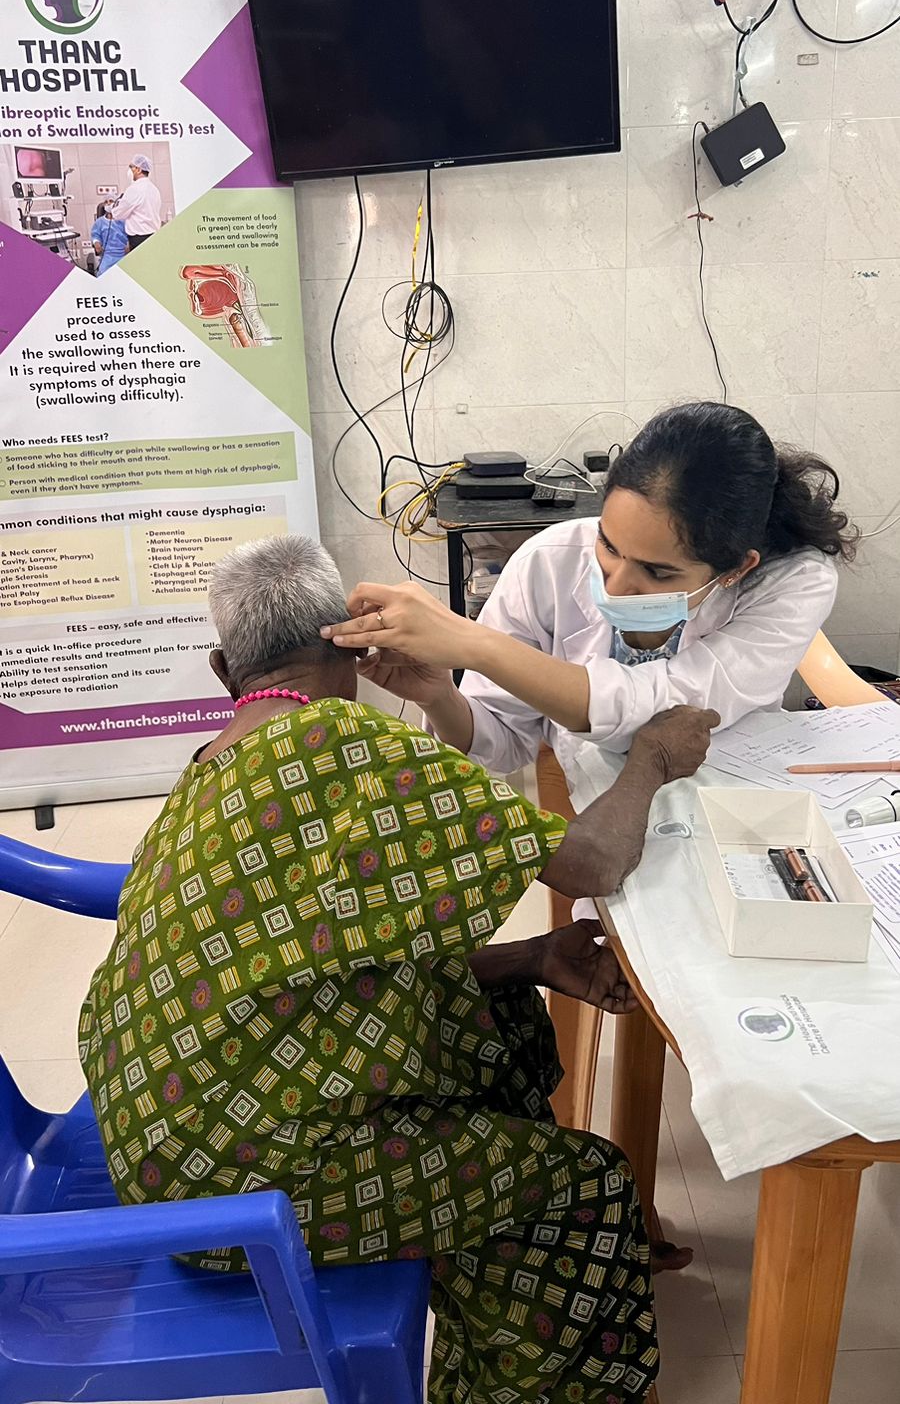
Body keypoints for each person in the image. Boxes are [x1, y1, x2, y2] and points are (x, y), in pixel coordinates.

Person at [79, 533, 717, 1404]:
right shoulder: (347, 744)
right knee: (586, 1183)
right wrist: (653, 759)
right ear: (348, 641)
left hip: (163, 1147)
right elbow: (591, 863)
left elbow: (329, 963)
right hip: (243, 1199)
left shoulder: (210, 768)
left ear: (225, 669)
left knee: (493, 1031)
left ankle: (493, 1303)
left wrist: (533, 957)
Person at [321, 402, 857, 781]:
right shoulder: (548, 562)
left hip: (738, 797)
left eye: (658, 573)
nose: (616, 586)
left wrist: (475, 644)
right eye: (609, 544)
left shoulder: (795, 582)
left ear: (737, 569)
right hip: (602, 811)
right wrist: (440, 696)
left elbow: (667, 709)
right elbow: (503, 744)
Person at [112, 153, 162, 251]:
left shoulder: (134, 189)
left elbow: (119, 214)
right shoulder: (154, 189)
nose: (130, 170)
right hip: (153, 236)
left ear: (139, 170)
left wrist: (112, 209)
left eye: (131, 167)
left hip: (139, 239)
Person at [91, 202, 128, 274]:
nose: (108, 204)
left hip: (123, 254)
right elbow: (95, 235)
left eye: (111, 201)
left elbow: (130, 234)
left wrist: (128, 244)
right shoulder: (100, 222)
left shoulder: (123, 221)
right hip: (107, 254)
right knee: (104, 275)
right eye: (106, 202)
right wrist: (96, 243)